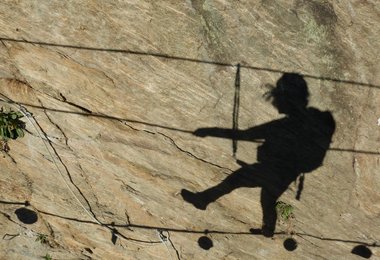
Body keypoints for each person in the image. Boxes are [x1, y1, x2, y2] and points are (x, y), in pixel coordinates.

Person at [181, 73, 335, 237]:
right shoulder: (308, 121)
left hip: (274, 169)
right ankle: (268, 230)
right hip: (289, 172)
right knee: (267, 200)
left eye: (277, 98)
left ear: (286, 99)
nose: (275, 103)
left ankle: (203, 199)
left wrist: (209, 131)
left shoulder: (286, 125)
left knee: (236, 179)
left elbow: (246, 135)